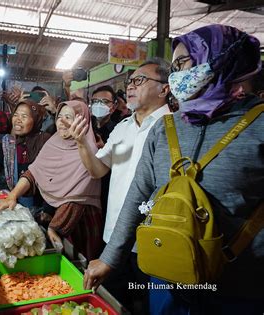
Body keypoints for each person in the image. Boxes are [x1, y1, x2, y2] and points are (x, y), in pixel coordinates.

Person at [83, 24, 263, 315]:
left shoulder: (259, 125)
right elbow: (138, 193)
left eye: (182, 63)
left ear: (221, 60)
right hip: (167, 276)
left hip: (239, 286)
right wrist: (110, 258)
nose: (176, 75)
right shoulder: (167, 127)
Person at [70, 58, 172, 313]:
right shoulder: (123, 128)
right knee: (115, 302)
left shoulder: (174, 127)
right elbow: (97, 169)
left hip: (155, 241)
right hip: (115, 237)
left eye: (140, 80)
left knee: (154, 305)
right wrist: (83, 142)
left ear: (164, 89)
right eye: (130, 81)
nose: (131, 86)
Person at [0, 100, 103, 261]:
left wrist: (55, 226)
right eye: (60, 116)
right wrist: (12, 196)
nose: (62, 122)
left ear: (82, 120)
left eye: (69, 117)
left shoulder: (89, 150)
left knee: (80, 265)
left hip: (79, 222)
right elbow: (33, 173)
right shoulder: (54, 142)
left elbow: (78, 197)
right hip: (56, 221)